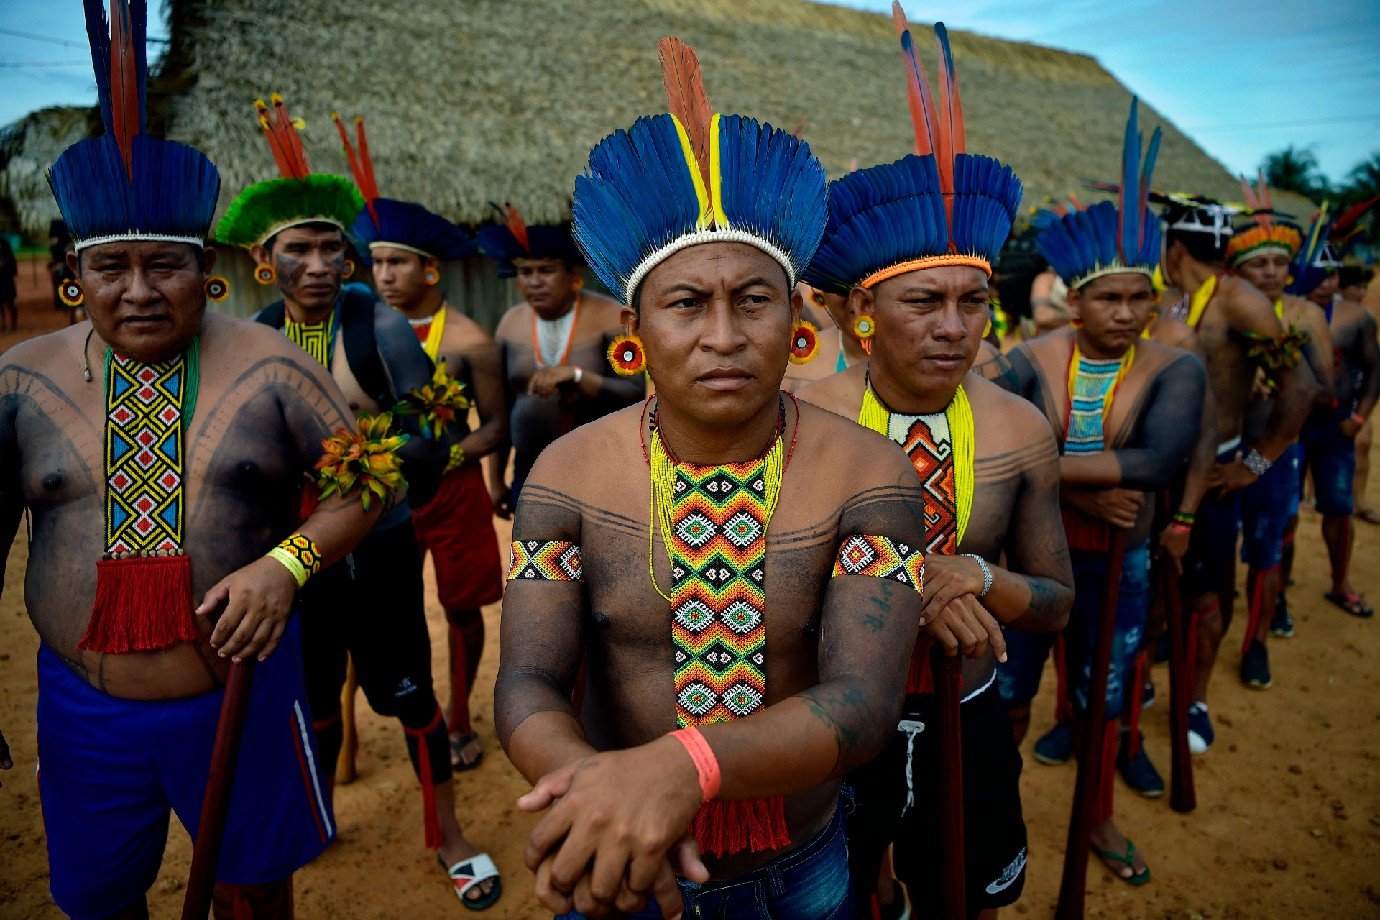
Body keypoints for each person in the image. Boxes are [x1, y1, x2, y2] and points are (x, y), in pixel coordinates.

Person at [498, 38, 950, 920]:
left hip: (802, 864)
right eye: (686, 304)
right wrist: (602, 796)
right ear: (634, 328)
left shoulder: (869, 474)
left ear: (797, 322)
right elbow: (528, 684)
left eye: (754, 300)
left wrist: (682, 767)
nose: (723, 335)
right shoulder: (567, 476)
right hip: (622, 858)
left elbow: (861, 705)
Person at [0, 4, 382, 915]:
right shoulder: (20, 379)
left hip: (243, 698)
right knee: (98, 901)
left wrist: (287, 566)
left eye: (164, 266)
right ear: (73, 276)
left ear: (206, 267)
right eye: (112, 269)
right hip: (85, 708)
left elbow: (365, 483)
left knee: (256, 897)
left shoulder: (275, 367)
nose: (138, 292)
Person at [798, 15, 1074, 918]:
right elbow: (773, 577)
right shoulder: (803, 420)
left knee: (967, 898)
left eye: (974, 302)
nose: (954, 327)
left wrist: (977, 574)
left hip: (971, 707)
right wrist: (917, 579)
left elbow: (1057, 599)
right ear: (864, 312)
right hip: (834, 709)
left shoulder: (1018, 427)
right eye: (925, 302)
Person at [215, 94, 500, 909]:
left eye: (332, 248)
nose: (319, 264)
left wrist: (365, 457)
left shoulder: (378, 326)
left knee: (405, 686)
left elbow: (439, 428)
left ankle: (448, 834)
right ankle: (320, 816)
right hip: (292, 558)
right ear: (266, 260)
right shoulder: (256, 335)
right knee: (311, 689)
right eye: (298, 248)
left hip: (379, 540)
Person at [1000, 100, 1206, 885]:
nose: (1125, 314)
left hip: (1124, 561)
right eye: (1108, 299)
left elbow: (1157, 462)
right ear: (1074, 299)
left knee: (1103, 701)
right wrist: (1078, 495)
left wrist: (1045, 469)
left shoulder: (1174, 368)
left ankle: (1098, 819)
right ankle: (1001, 804)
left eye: (1138, 300)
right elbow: (996, 446)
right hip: (1029, 556)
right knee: (1010, 696)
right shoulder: (1029, 357)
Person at [337, 113, 508, 771]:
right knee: (376, 606)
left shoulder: (468, 342)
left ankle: (461, 720)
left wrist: (445, 457)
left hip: (454, 490)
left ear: (430, 270)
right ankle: (371, 721)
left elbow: (496, 427)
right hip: (381, 491)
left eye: (397, 263)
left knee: (460, 606)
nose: (382, 275)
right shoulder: (358, 334)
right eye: (375, 262)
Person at [1155, 193, 1314, 753]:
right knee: (1153, 582)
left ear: (1172, 245)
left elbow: (1300, 387)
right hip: (1155, 471)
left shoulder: (1239, 301)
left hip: (1217, 470)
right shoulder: (1165, 298)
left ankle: (1195, 698)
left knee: (1206, 591)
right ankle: (1149, 678)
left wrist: (1255, 462)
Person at [1225, 179, 1334, 682]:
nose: (1271, 272)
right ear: (1237, 270)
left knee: (1268, 548)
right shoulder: (1220, 312)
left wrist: (1279, 390)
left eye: (1278, 264)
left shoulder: (1306, 313)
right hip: (1223, 451)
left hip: (1275, 454)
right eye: (1258, 264)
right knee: (1215, 549)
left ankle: (1257, 642)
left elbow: (1321, 388)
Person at [480, 209, 644, 518]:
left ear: (573, 276)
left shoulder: (610, 318)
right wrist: (496, 480)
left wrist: (578, 376)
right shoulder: (509, 325)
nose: (535, 282)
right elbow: (500, 410)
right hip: (530, 470)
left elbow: (634, 394)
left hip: (601, 468)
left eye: (546, 270)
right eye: (525, 272)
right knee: (538, 561)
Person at [1291, 219, 1380, 619]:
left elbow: (1376, 369)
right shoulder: (1283, 313)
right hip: (1289, 429)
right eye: (1318, 275)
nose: (1326, 284)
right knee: (1285, 509)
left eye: (1333, 275)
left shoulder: (1356, 318)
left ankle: (1340, 582)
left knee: (1339, 509)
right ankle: (1276, 583)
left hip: (1336, 428)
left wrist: (1359, 420)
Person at [1338, 265, 1378, 523]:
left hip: (1358, 392)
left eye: (1365, 287)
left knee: (1362, 444)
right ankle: (1311, 495)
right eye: (1357, 287)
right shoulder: (1321, 314)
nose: (1362, 292)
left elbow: (1374, 365)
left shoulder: (1364, 318)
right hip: (1333, 397)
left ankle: (1358, 500)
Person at [0, 233, 18, 331]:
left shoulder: (8, 257)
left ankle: (13, 324)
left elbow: (13, 270)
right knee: (1, 305)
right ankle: (3, 324)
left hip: (7, 282)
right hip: (1, 283)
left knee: (10, 303)